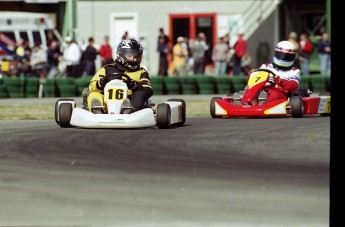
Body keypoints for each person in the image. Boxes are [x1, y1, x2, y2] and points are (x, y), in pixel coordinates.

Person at [86, 38, 153, 114]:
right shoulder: (107, 69)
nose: (134, 59)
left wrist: (134, 86)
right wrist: (101, 82)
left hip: (130, 101)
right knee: (94, 94)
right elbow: (91, 86)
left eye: (137, 56)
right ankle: (97, 110)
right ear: (121, 55)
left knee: (140, 93)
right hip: (107, 104)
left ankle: (127, 110)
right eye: (130, 56)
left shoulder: (141, 72)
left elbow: (148, 90)